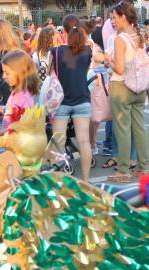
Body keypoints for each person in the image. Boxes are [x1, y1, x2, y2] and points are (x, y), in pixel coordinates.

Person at [107, 1, 149, 182]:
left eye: (115, 17)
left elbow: (119, 68)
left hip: (122, 87)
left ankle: (123, 170)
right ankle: (142, 167)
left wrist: (107, 60)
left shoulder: (120, 39)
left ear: (123, 16)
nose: (113, 21)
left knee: (122, 129)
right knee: (139, 128)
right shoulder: (138, 36)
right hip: (139, 88)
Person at [50, 14, 93, 182]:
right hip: (82, 99)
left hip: (61, 101)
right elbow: (85, 69)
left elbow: (48, 73)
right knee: (84, 142)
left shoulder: (56, 51)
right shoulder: (87, 51)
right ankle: (86, 181)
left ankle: (59, 182)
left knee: (57, 144)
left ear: (64, 30)